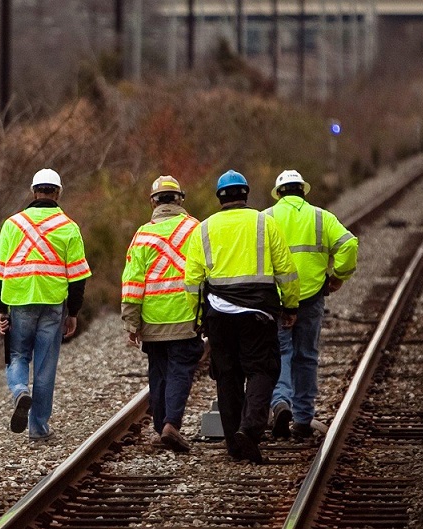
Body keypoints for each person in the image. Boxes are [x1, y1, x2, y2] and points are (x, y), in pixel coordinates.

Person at [184, 169, 300, 464]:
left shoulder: (204, 228)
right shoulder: (265, 223)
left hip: (218, 314)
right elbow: (286, 270)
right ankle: (249, 430)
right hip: (258, 313)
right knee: (262, 370)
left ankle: (233, 442)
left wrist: (197, 317)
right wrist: (290, 306)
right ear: (245, 194)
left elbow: (193, 279)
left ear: (220, 197)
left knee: (227, 375)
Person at [0, 168, 91, 442]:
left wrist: (1, 310)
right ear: (58, 193)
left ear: (33, 191)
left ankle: (20, 390)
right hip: (53, 303)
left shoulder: (12, 225)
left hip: (20, 301)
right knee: (46, 366)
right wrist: (73, 313)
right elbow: (78, 276)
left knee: (18, 355)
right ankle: (38, 427)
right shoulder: (69, 227)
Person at [265, 170, 358, 440]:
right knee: (306, 357)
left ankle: (280, 402)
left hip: (277, 297)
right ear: (303, 191)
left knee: (280, 353)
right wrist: (339, 276)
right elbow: (348, 244)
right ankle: (303, 419)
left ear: (279, 193)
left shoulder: (266, 218)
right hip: (312, 295)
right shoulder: (321, 217)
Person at [121, 175, 203, 453]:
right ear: (180, 198)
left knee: (158, 372)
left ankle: (160, 427)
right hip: (186, 315)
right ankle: (171, 424)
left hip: (153, 320)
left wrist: (132, 322)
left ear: (153, 201)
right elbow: (208, 273)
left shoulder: (143, 235)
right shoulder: (196, 229)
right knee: (181, 369)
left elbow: (132, 282)